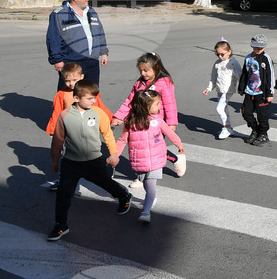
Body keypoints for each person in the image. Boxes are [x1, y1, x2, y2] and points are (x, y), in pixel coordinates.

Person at [47, 79, 132, 241]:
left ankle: (123, 195)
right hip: (71, 161)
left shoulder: (98, 113)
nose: (93, 101)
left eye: (94, 97)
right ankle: (60, 225)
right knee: (63, 194)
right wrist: (54, 160)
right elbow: (58, 140)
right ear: (76, 98)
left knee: (106, 183)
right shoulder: (64, 115)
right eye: (89, 98)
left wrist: (113, 153)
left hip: (94, 160)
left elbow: (107, 133)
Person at [115, 89, 185, 224]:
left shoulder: (157, 120)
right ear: (146, 106)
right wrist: (115, 155)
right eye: (157, 104)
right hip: (139, 161)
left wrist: (178, 144)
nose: (160, 106)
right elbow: (123, 140)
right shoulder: (131, 122)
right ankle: (152, 198)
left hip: (156, 158)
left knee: (151, 184)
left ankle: (146, 212)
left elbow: (169, 133)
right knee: (147, 184)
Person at [112, 52, 181, 186]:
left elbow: (170, 103)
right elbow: (130, 101)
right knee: (139, 148)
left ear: (156, 67)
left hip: (156, 123)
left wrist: (171, 122)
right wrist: (119, 116)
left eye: (146, 70)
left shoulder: (164, 82)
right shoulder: (139, 83)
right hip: (139, 122)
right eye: (141, 70)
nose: (143, 73)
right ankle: (141, 175)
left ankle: (174, 160)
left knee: (154, 148)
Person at [45, 62, 114, 193]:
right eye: (67, 80)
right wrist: (53, 129)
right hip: (68, 133)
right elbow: (57, 112)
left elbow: (100, 107)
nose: (71, 83)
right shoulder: (61, 94)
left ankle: (106, 170)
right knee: (67, 158)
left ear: (82, 77)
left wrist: (112, 118)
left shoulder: (87, 92)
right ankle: (65, 182)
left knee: (92, 156)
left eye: (74, 80)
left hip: (88, 130)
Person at [46, 0, 109, 89]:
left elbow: (100, 32)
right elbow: (53, 38)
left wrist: (104, 52)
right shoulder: (59, 14)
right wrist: (57, 59)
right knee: (68, 93)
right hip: (71, 61)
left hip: (92, 60)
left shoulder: (91, 11)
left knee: (90, 92)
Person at [237, 34, 274, 146]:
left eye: (260, 48)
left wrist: (270, 92)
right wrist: (241, 88)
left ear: (264, 47)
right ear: (252, 46)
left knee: (262, 115)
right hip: (249, 91)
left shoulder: (266, 59)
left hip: (262, 93)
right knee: (246, 112)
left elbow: (270, 76)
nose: (258, 50)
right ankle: (255, 129)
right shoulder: (248, 58)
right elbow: (244, 73)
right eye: (256, 47)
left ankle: (263, 134)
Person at [203, 40, 242, 139]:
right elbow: (213, 77)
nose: (220, 56)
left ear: (229, 51)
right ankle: (228, 128)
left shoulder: (233, 63)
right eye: (217, 54)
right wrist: (209, 88)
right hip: (219, 89)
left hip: (228, 90)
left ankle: (226, 127)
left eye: (222, 54)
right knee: (225, 109)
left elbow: (240, 76)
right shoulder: (217, 63)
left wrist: (243, 88)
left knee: (219, 109)